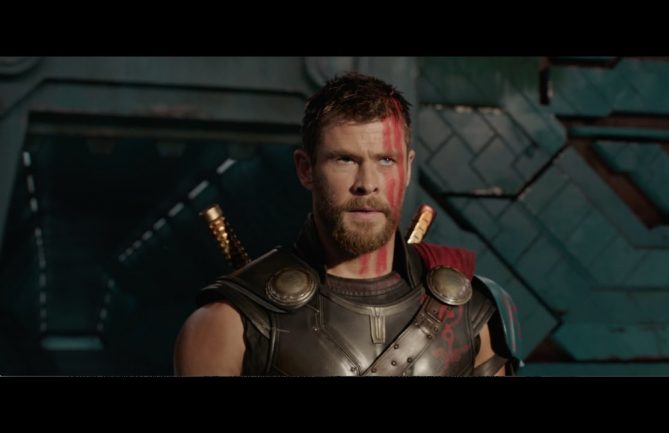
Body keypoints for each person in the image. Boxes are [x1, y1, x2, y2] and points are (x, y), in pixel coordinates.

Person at [174, 71, 521, 376]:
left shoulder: (469, 315)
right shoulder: (227, 326)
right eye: (344, 159)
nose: (367, 183)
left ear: (407, 169)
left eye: (386, 160)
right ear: (306, 169)